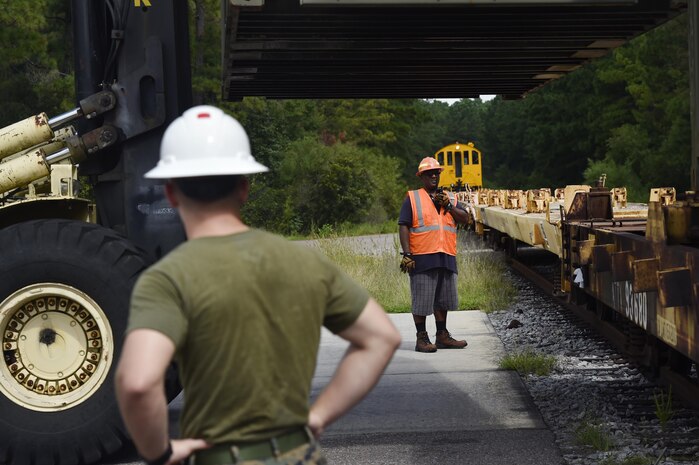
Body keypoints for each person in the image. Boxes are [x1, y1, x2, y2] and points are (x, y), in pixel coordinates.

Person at [115, 105, 401, 465]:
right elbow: (381, 338)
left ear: (171, 193)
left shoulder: (168, 278)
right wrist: (317, 416)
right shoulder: (305, 262)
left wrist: (161, 453)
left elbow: (138, 384)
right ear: (245, 187)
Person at [398, 157, 470, 353]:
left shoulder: (450, 198)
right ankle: (421, 338)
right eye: (429, 173)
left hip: (446, 255)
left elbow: (466, 219)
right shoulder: (413, 198)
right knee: (422, 299)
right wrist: (406, 253)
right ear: (421, 176)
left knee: (443, 298)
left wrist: (448, 206)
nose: (433, 175)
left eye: (436, 172)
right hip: (422, 257)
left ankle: (442, 336)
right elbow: (403, 225)